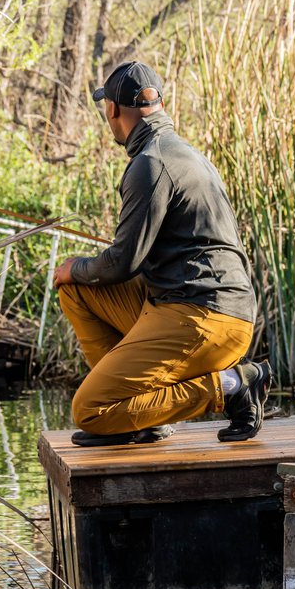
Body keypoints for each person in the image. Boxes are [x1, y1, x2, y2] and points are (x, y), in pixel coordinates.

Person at [52, 60, 270, 447]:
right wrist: (82, 276)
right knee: (79, 290)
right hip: (200, 304)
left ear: (113, 109)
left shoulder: (150, 163)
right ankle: (142, 419)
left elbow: (122, 263)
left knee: (90, 410)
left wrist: (76, 266)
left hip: (206, 315)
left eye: (105, 106)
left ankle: (235, 384)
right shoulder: (184, 152)